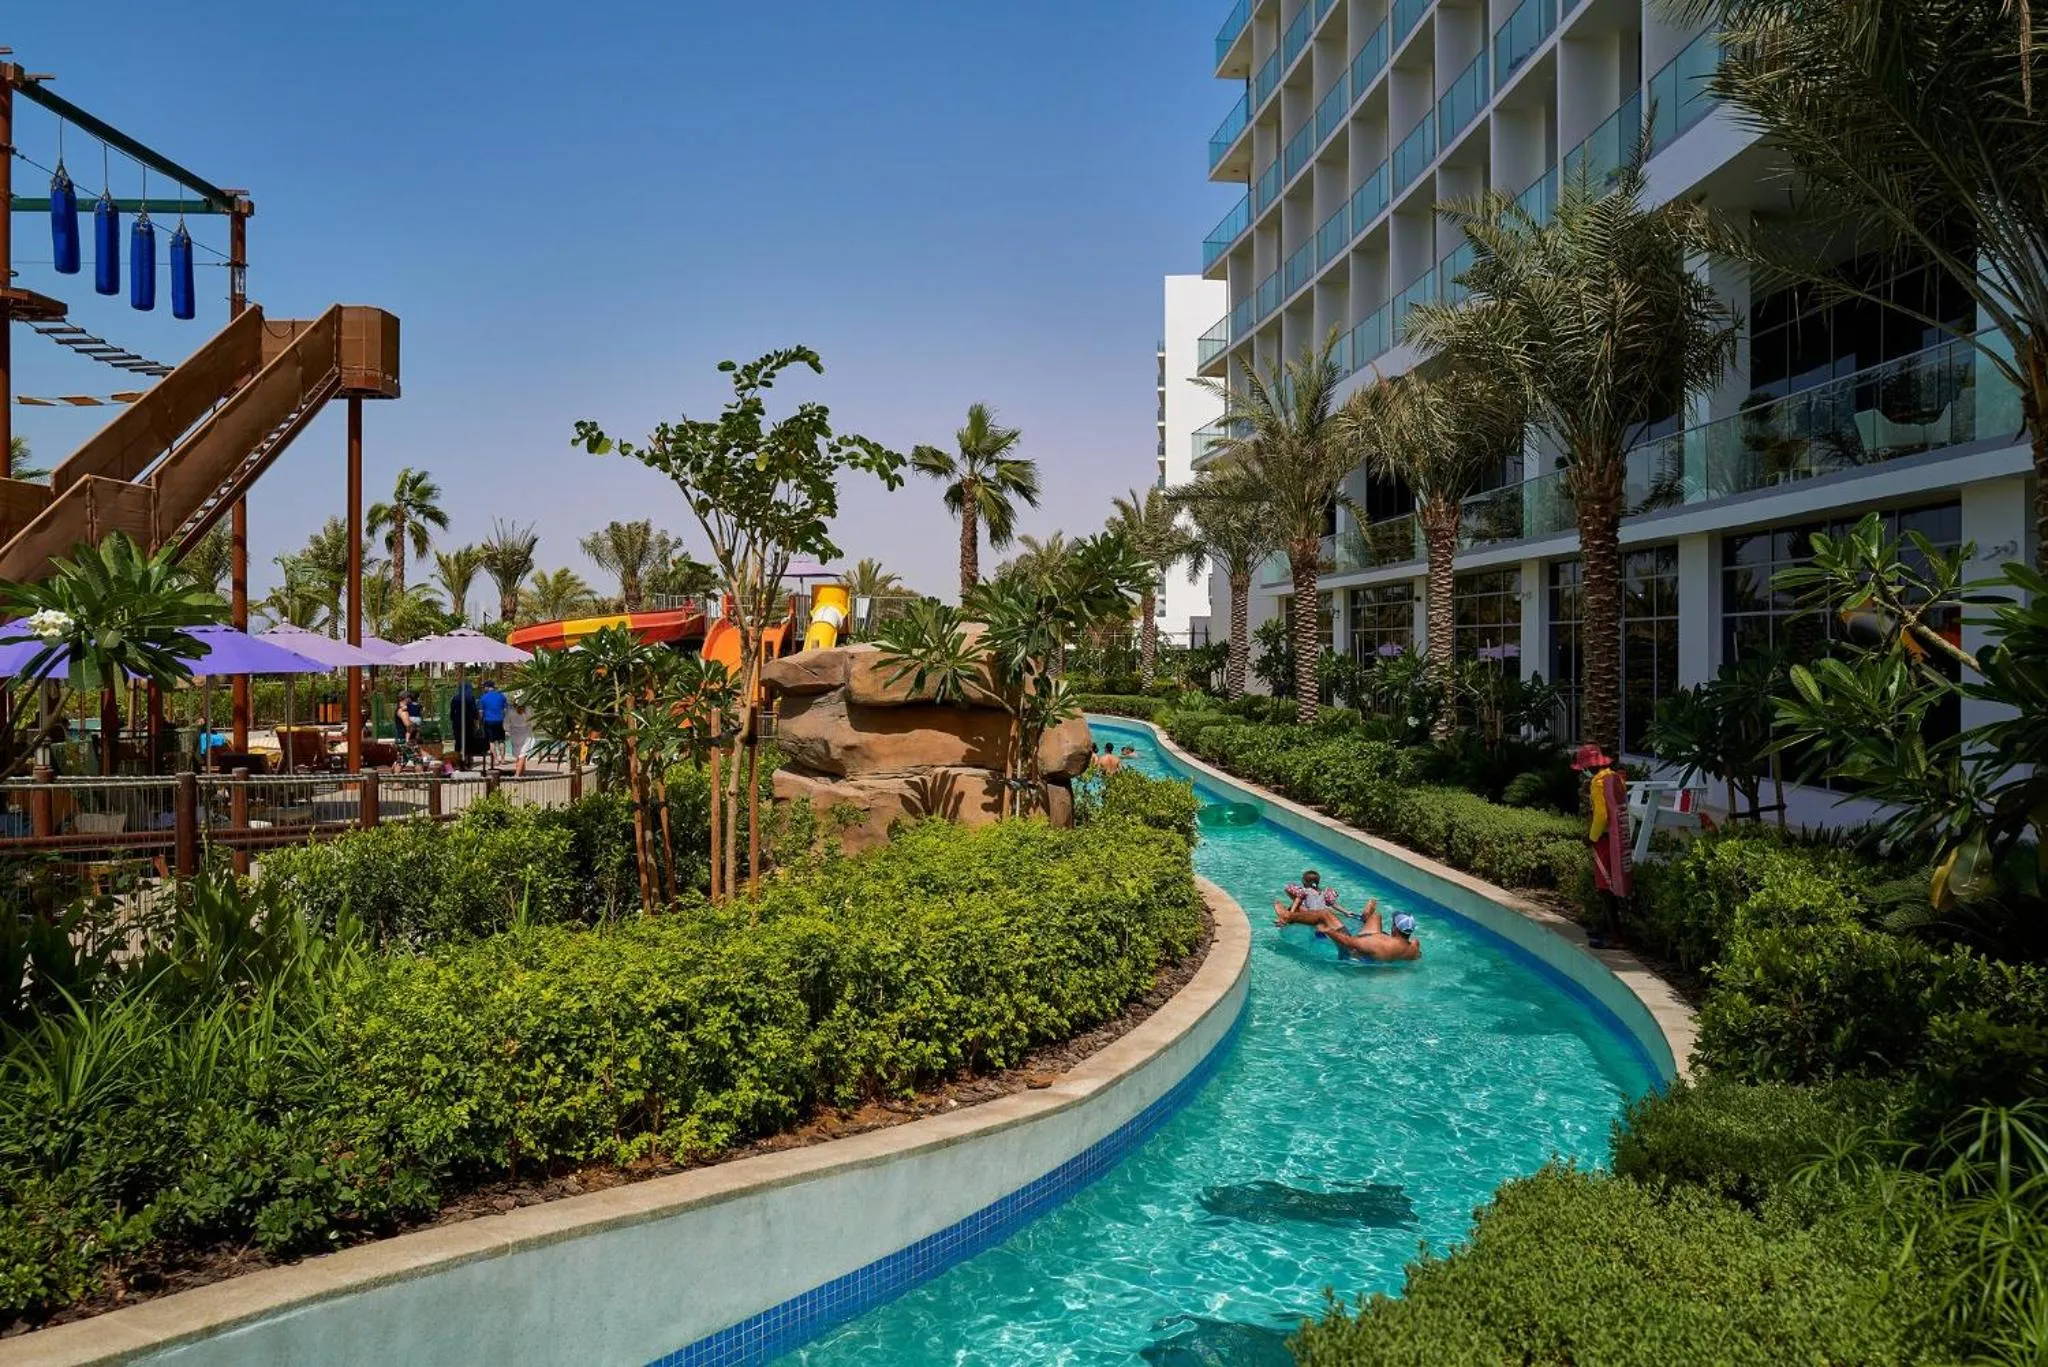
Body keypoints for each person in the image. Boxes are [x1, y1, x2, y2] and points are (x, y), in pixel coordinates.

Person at [1325, 905, 1422, 962]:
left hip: (1355, 958)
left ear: (1395, 928)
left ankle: (1368, 911)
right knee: (1376, 916)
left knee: (1324, 915)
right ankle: (1367, 913)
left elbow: (1348, 942)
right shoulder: (1415, 947)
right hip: (1376, 954)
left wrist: (1328, 931)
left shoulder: (1380, 942)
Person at [1274, 869, 1345, 929]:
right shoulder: (1324, 892)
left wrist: (1290, 914)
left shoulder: (1305, 891)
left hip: (1310, 916)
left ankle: (1284, 920)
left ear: (1304, 881)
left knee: (1298, 906)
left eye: (1302, 878)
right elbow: (1332, 904)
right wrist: (1346, 912)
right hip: (1322, 918)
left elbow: (1297, 901)